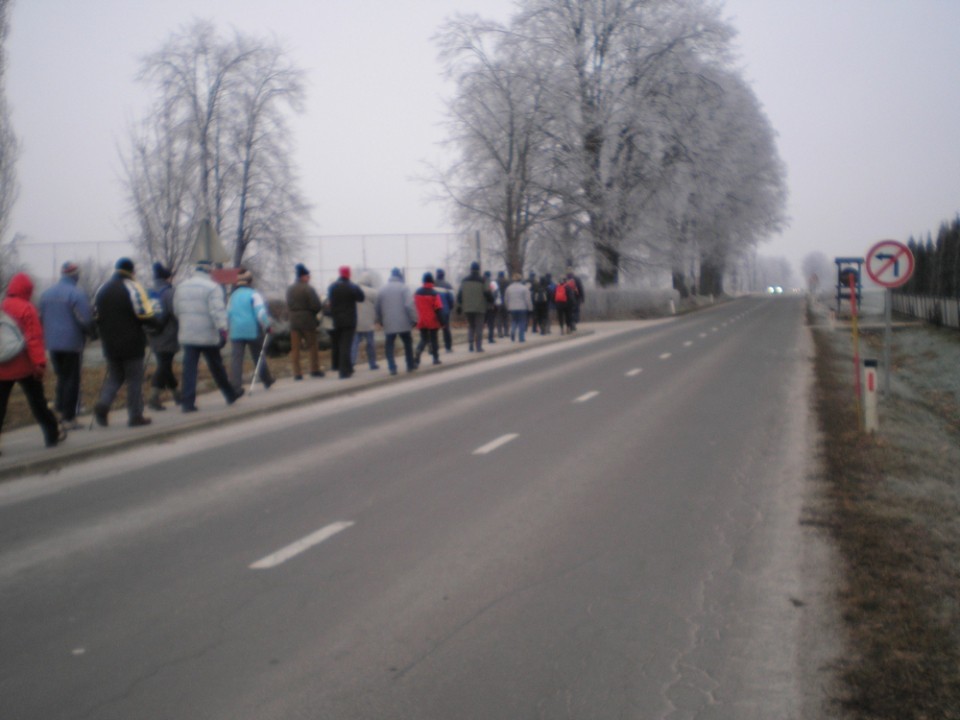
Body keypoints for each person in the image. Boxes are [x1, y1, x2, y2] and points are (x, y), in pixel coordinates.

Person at [0, 272, 64, 450]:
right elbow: (34, 338)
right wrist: (40, 364)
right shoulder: (27, 308)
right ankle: (52, 435)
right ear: (27, 290)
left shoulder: (2, 306)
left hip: (2, 367)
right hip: (24, 366)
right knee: (37, 403)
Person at [93, 257, 157, 427]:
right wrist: (157, 325)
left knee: (115, 377)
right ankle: (135, 416)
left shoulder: (102, 289)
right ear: (131, 271)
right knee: (134, 380)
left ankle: (103, 405)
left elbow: (96, 316)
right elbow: (145, 314)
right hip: (132, 343)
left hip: (109, 344)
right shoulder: (134, 287)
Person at [173, 259, 242, 412]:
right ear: (209, 271)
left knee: (189, 369)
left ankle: (187, 403)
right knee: (216, 366)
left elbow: (177, 310)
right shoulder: (212, 287)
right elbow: (217, 311)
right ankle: (229, 394)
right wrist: (223, 330)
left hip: (188, 334)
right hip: (207, 335)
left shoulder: (181, 287)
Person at [38, 261, 94, 428]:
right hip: (72, 343)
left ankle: (60, 410)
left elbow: (40, 318)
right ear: (75, 275)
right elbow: (85, 319)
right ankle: (69, 418)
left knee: (62, 377)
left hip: (52, 343)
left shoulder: (46, 294)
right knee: (72, 380)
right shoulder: (76, 293)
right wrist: (91, 333)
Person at [227, 268, 274, 394]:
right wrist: (267, 325)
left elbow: (228, 313)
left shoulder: (233, 297)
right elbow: (260, 313)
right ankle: (267, 380)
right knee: (258, 356)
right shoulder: (254, 294)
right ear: (249, 281)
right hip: (252, 330)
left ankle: (236, 386)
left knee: (237, 359)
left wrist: (228, 327)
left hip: (236, 331)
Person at [146, 262, 180, 411]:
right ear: (167, 278)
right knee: (164, 365)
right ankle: (153, 397)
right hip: (168, 333)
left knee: (165, 364)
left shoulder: (148, 292)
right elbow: (176, 312)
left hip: (152, 333)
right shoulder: (169, 292)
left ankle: (178, 395)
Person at [375, 267, 417, 375]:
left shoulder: (382, 289)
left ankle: (392, 367)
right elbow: (409, 305)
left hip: (388, 322)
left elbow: (378, 307)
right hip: (403, 322)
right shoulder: (404, 288)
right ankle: (410, 365)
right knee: (407, 343)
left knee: (389, 345)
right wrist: (414, 319)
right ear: (400, 276)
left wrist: (380, 320)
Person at [286, 263, 324, 380]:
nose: (309, 278)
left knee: (295, 348)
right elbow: (316, 305)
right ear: (303, 276)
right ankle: (314, 369)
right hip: (307, 321)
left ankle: (297, 373)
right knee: (312, 346)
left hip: (293, 321)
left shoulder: (290, 289)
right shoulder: (308, 288)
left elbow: (288, 304)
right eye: (308, 276)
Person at [327, 265, 364, 379]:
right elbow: (361, 298)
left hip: (336, 319)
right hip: (349, 320)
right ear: (349, 274)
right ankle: (344, 372)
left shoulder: (332, 287)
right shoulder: (352, 286)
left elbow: (330, 301)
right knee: (346, 345)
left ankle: (347, 368)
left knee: (340, 344)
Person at [456, 261, 492, 352]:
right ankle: (478, 347)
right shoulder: (483, 280)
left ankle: (471, 343)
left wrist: (459, 306)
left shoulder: (464, 281)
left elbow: (460, 295)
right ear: (479, 270)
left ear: (470, 269)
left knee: (471, 326)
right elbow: (487, 293)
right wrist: (492, 300)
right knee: (479, 327)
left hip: (467, 308)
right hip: (480, 307)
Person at [350, 271, 380, 371]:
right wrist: (376, 319)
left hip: (356, 321)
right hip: (368, 322)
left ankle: (352, 362)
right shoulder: (373, 292)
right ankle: (372, 363)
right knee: (370, 344)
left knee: (355, 343)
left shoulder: (353, 290)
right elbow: (376, 307)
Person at [414, 271, 444, 367]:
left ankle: (418, 353)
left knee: (424, 339)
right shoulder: (434, 293)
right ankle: (435, 358)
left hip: (421, 319)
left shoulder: (417, 293)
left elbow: (414, 306)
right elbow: (438, 309)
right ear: (432, 281)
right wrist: (442, 322)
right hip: (432, 320)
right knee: (434, 339)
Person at [504, 272, 533, 342]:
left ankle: (512, 332)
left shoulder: (509, 288)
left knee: (514, 321)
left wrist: (507, 307)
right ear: (520, 280)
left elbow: (506, 299)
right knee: (522, 322)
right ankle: (521, 338)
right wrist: (530, 308)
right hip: (522, 308)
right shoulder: (524, 288)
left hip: (512, 308)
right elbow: (528, 300)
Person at [434, 268, 456, 353]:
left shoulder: (432, 285)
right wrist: (450, 307)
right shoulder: (448, 285)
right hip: (445, 311)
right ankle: (448, 347)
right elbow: (452, 299)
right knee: (446, 329)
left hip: (435, 311)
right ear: (444, 275)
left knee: (433, 331)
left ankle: (433, 348)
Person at [483, 270, 500, 344]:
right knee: (491, 323)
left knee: (481, 323)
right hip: (491, 306)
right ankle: (490, 338)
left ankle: (478, 339)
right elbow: (496, 294)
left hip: (482, 306)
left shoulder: (481, 282)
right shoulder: (493, 283)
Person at [495, 270, 510, 338]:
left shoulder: (495, 282)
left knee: (498, 317)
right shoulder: (507, 282)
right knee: (506, 317)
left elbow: (493, 292)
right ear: (503, 275)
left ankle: (499, 332)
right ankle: (506, 332)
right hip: (506, 300)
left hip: (498, 301)